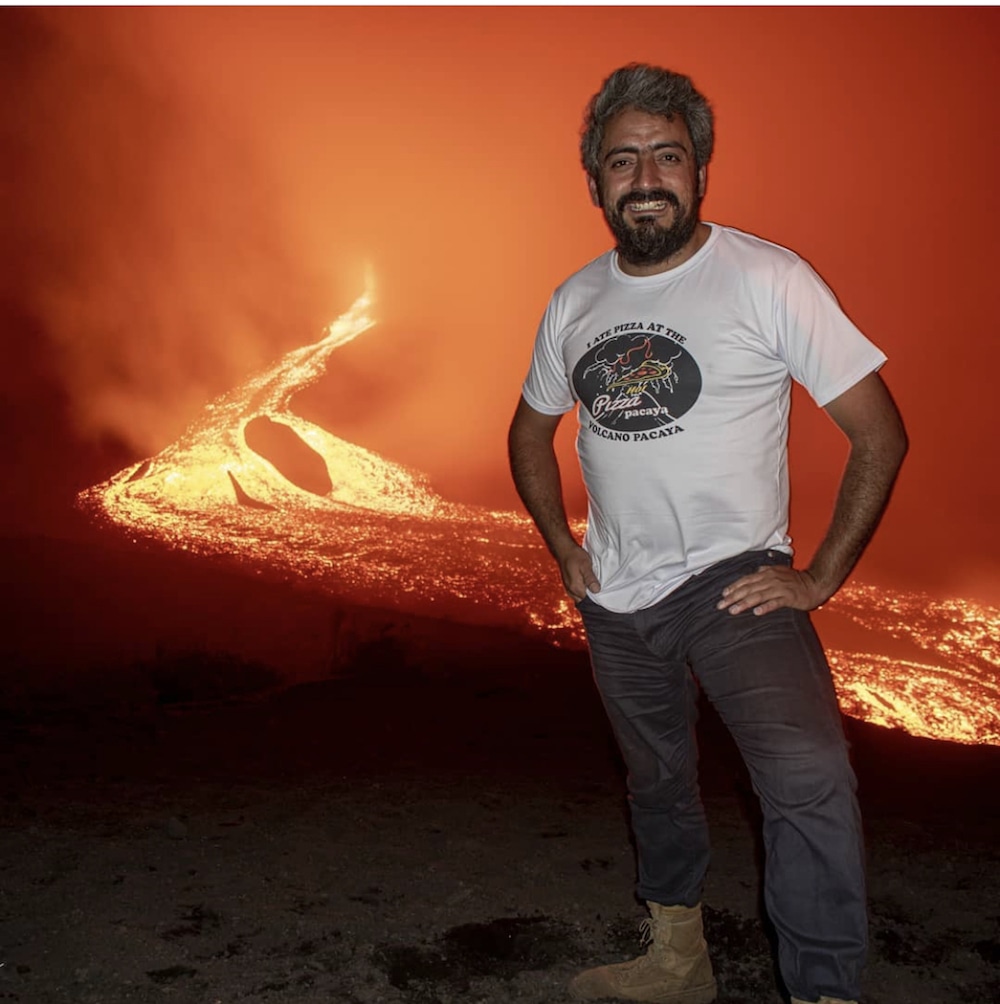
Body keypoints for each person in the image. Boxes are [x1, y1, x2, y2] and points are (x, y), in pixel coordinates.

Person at [507, 64, 907, 1004]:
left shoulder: (768, 278)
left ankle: (823, 991)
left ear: (700, 170)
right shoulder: (574, 302)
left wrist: (818, 578)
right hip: (614, 597)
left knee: (806, 774)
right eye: (622, 160)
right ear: (595, 181)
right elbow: (530, 430)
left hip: (736, 585)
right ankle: (678, 961)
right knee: (657, 783)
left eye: (667, 155)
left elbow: (878, 433)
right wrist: (566, 551)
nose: (645, 177)